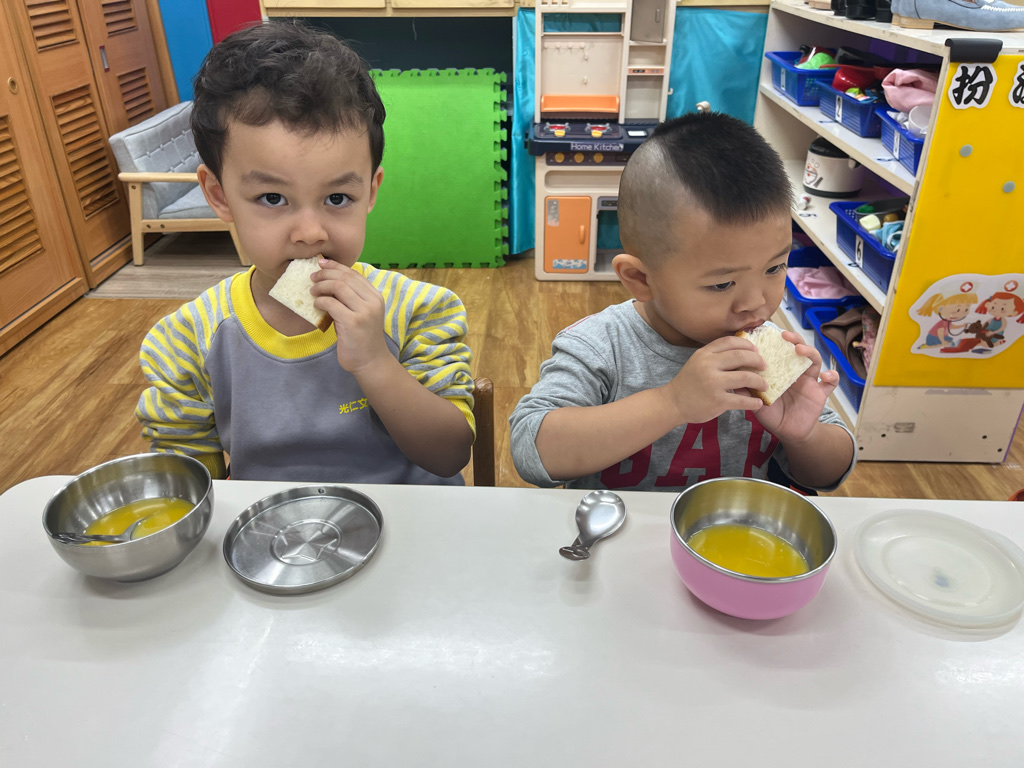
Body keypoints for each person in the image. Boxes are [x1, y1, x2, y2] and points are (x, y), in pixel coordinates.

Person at [136, 22, 475, 484]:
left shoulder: (418, 311)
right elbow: (189, 486)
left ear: (370, 191)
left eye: (337, 198)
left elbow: (449, 455)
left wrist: (375, 361)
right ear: (218, 195)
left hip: (405, 519)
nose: (311, 234)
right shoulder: (188, 342)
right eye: (273, 198)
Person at [510, 112, 856, 492]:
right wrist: (672, 402)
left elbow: (830, 473)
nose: (756, 302)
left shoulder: (771, 352)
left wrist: (803, 435)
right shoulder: (601, 347)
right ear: (640, 279)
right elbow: (531, 451)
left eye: (774, 267)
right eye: (722, 284)